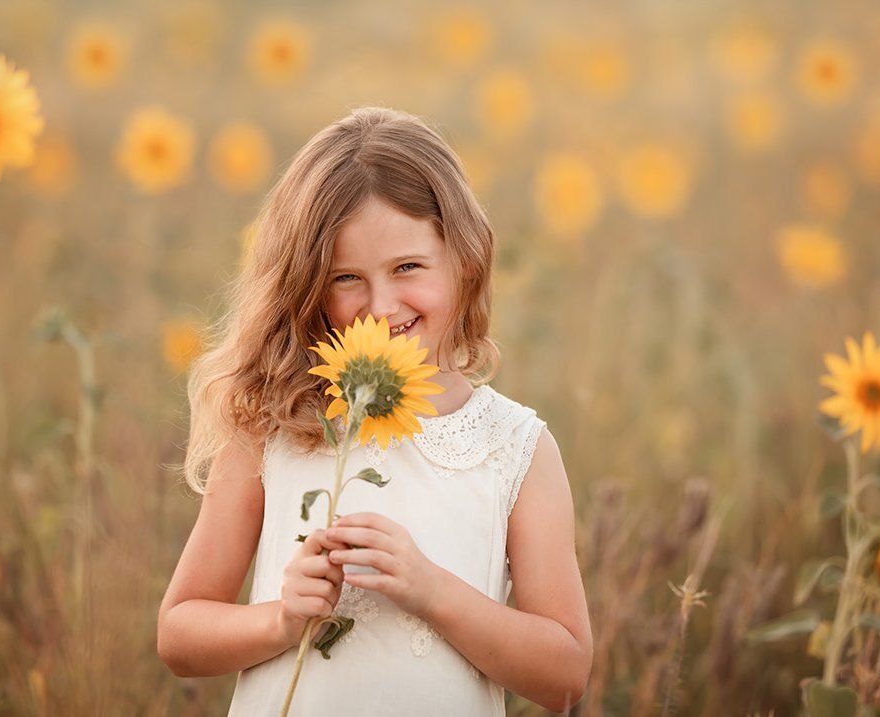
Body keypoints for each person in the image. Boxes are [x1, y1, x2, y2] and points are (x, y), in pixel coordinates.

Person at [157, 106, 592, 716]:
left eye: (407, 268)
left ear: (464, 261)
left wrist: (433, 592)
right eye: (346, 278)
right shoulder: (278, 424)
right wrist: (282, 621)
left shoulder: (513, 447)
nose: (382, 305)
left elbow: (566, 674)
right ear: (307, 285)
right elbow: (179, 635)